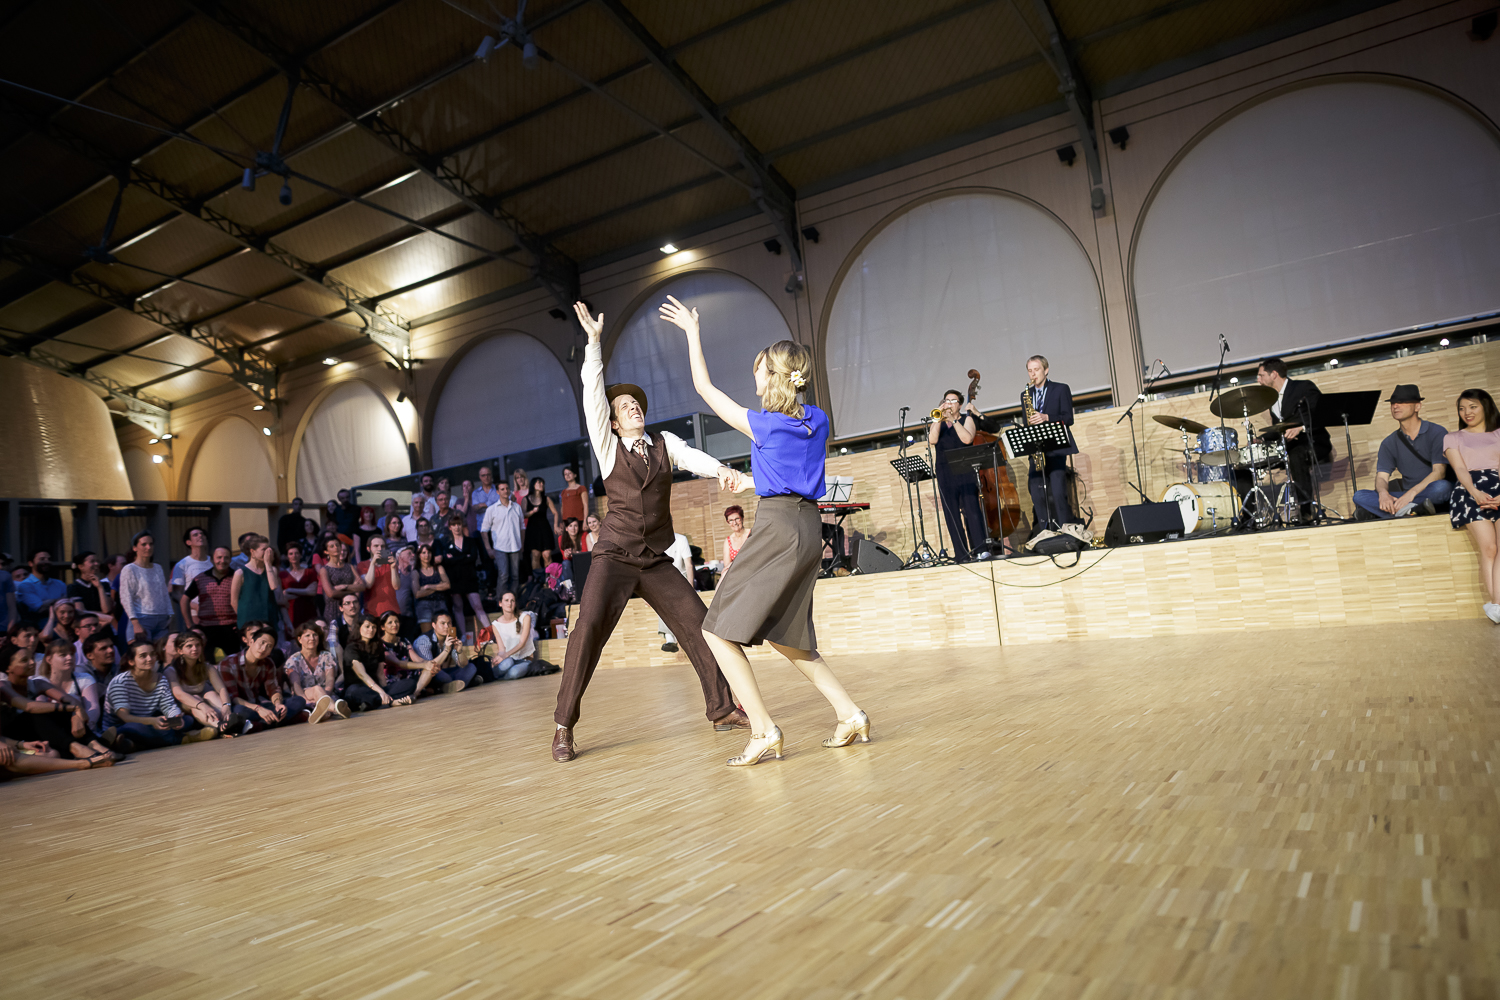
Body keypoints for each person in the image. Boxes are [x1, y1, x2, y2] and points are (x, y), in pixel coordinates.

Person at [663, 294, 868, 767]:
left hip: (775, 527)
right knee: (788, 637)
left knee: (715, 631)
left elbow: (703, 387)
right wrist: (751, 480)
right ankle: (850, 713)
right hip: (806, 526)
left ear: (772, 376)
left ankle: (763, 729)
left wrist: (693, 333)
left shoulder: (762, 424)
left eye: (758, 369)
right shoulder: (816, 420)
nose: (752, 376)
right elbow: (796, 478)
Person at [550, 301, 749, 763]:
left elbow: (695, 459)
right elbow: (590, 396)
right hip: (615, 555)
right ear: (614, 421)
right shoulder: (606, 444)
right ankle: (563, 726)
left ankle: (720, 707)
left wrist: (721, 470)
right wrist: (594, 347)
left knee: (700, 625)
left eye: (636, 404)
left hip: (654, 558)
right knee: (587, 630)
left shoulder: (664, 444)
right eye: (623, 407)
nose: (632, 408)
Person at [2, 641, 114, 765]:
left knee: (60, 713)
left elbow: (69, 700)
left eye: (32, 658)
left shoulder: (37, 683)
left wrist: (75, 715)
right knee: (38, 713)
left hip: (38, 733)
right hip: (13, 737)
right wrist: (72, 709)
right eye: (24, 660)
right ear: (8, 668)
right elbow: (29, 707)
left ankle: (96, 745)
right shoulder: (3, 686)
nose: (32, 663)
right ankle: (81, 747)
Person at [1352, 384, 1452, 520]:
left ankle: (1391, 513)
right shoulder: (1389, 442)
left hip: (1425, 492)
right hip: (1402, 497)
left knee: (1442, 487)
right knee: (1359, 496)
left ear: (1417, 406)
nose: (1395, 406)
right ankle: (1413, 510)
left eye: (1402, 402)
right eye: (1393, 403)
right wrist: (1383, 494)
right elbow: (1382, 477)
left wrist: (1410, 494)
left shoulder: (1437, 432)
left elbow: (1439, 473)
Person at [1443, 388, 1500, 623]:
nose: (1467, 412)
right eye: (1462, 408)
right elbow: (1459, 469)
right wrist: (1474, 492)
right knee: (1489, 549)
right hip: (1470, 490)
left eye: (1473, 406)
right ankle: (1497, 605)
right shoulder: (1452, 437)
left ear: (1485, 407)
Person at [1255, 357, 1332, 524]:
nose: (1258, 380)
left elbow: (1322, 413)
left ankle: (1306, 512)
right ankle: (1251, 517)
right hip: (1291, 446)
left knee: (1296, 455)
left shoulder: (1303, 387)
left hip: (1314, 442)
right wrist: (1260, 439)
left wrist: (1301, 428)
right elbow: (1280, 428)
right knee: (1251, 461)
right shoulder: (1273, 399)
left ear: (1274, 374)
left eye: (1261, 375)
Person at [928, 389, 990, 560]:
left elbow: (967, 439)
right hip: (944, 471)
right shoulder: (938, 421)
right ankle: (961, 553)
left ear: (960, 405)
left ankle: (980, 549)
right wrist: (938, 419)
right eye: (946, 400)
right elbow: (932, 440)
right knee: (951, 514)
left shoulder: (966, 419)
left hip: (965, 470)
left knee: (972, 510)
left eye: (953, 401)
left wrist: (954, 420)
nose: (949, 403)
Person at [1020, 355, 1080, 531]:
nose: (1033, 374)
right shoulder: (1025, 395)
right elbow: (1026, 423)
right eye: (1030, 370)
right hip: (1036, 450)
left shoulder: (1060, 389)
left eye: (1036, 369)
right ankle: (1045, 532)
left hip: (1056, 448)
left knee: (1059, 493)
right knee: (1036, 494)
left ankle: (1065, 531)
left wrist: (1046, 418)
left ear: (1046, 370)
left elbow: (1068, 418)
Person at [104, 638, 188, 751]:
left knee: (187, 720)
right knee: (134, 728)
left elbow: (168, 706)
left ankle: (135, 745)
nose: (149, 659)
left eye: (152, 654)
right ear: (131, 661)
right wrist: (152, 721)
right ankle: (179, 739)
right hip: (124, 725)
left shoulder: (160, 678)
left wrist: (175, 717)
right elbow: (125, 717)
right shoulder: (120, 682)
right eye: (143, 656)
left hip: (153, 722)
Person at [165, 630, 249, 738]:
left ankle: (229, 720)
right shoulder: (171, 671)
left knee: (210, 694)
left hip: (208, 707)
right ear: (180, 650)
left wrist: (226, 706)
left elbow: (221, 689)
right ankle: (221, 726)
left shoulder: (207, 667)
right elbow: (179, 694)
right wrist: (203, 706)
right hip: (185, 710)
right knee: (195, 697)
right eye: (189, 646)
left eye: (197, 645)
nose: (195, 649)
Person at [220, 626, 302, 731]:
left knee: (299, 701)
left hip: (259, 707)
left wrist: (278, 704)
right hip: (240, 706)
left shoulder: (268, 663)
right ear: (251, 642)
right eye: (262, 643)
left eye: (269, 646)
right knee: (239, 711)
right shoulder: (228, 663)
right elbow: (233, 698)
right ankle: (273, 722)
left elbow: (273, 689)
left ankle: (259, 725)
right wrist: (259, 709)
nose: (263, 649)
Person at [438, 514, 489, 642]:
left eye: (459, 524)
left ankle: (490, 633)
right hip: (455, 580)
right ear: (450, 527)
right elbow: (446, 561)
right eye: (454, 525)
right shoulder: (446, 544)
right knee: (458, 607)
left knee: (478, 606)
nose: (456, 527)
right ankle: (464, 636)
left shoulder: (471, 541)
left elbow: (472, 558)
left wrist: (455, 558)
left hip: (470, 578)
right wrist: (463, 557)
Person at [284, 622, 348, 723]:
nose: (312, 638)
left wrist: (323, 697)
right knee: (316, 689)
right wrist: (307, 701)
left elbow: (330, 679)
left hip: (327, 693)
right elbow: (296, 686)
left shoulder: (327, 656)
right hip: (304, 696)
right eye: (307, 635)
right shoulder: (293, 660)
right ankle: (335, 709)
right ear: (300, 639)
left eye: (315, 635)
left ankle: (322, 711)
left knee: (324, 707)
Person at [184, 547, 238, 661]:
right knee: (207, 661)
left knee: (233, 661)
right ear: (212, 560)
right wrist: (189, 625)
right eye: (219, 557)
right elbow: (184, 599)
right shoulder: (201, 578)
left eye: (226, 557)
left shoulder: (237, 577)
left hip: (231, 627)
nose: (222, 561)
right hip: (207, 627)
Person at [119, 531, 173, 641]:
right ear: (135, 548)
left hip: (162, 619)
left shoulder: (158, 568)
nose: (148, 547)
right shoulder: (129, 569)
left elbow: (163, 593)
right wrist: (135, 623)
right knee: (142, 653)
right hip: (142, 617)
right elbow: (126, 597)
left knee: (161, 655)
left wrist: (170, 614)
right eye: (143, 544)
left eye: (151, 544)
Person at [342, 615, 405, 710]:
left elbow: (380, 674)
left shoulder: (378, 645)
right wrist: (381, 692)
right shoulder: (351, 648)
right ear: (359, 628)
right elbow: (361, 674)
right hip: (359, 688)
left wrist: (385, 690)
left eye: (374, 627)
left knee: (410, 684)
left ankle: (374, 702)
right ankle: (392, 702)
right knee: (353, 691)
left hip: (375, 688)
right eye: (367, 626)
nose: (371, 630)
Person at [378, 611, 442, 700]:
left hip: (409, 676)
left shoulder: (404, 641)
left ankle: (415, 694)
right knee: (414, 681)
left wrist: (431, 664)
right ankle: (426, 690)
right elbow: (399, 663)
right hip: (393, 682)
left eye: (396, 621)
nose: (394, 624)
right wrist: (425, 665)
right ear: (382, 627)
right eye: (390, 622)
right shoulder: (380, 645)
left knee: (429, 670)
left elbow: (417, 658)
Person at [411, 610, 475, 693]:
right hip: (426, 675)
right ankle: (451, 686)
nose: (447, 626)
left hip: (441, 671)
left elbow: (463, 664)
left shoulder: (450, 638)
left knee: (471, 667)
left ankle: (449, 686)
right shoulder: (424, 640)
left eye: (449, 623)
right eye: (443, 623)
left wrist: (460, 651)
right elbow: (429, 667)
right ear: (434, 625)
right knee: (444, 677)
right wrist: (446, 649)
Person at [480, 481, 524, 599]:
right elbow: (484, 530)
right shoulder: (492, 509)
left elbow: (522, 528)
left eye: (507, 488)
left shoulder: (517, 507)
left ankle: (513, 602)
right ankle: (500, 602)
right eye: (502, 489)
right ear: (498, 492)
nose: (505, 491)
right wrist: (488, 548)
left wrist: (522, 544)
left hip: (515, 546)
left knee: (515, 576)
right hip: (500, 547)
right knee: (503, 575)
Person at [231, 535, 281, 633]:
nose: (267, 553)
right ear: (253, 552)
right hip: (249, 620)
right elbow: (233, 601)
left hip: (269, 617)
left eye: (268, 549)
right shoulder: (240, 573)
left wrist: (267, 564)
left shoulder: (272, 570)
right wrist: (244, 617)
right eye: (264, 550)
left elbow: (274, 586)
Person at [169, 527, 213, 630]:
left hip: (216, 611)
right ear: (188, 542)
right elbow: (176, 593)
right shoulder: (183, 564)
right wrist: (194, 606)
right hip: (194, 613)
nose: (200, 536)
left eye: (202, 534)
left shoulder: (214, 561)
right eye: (195, 535)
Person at [316, 535, 363, 623]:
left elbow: (362, 586)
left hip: (351, 608)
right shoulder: (324, 569)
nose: (336, 548)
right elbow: (331, 593)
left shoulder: (350, 566)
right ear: (326, 551)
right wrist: (353, 588)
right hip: (333, 610)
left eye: (337, 545)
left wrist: (344, 586)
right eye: (332, 546)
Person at [67, 551, 116, 635]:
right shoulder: (74, 587)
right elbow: (80, 611)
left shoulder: (104, 585)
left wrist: (99, 587)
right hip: (87, 629)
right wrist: (104, 616)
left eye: (97, 561)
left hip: (105, 628)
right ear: (81, 566)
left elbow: (106, 610)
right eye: (92, 561)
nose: (96, 564)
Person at [16, 549, 67, 628]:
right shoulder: (26, 585)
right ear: (30, 563)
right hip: (40, 628)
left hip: (64, 626)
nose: (46, 562)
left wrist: (49, 602)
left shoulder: (59, 584)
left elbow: (67, 605)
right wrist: (59, 600)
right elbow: (40, 609)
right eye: (42, 559)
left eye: (49, 559)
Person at [490, 592, 536, 680]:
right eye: (506, 600)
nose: (509, 603)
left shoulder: (525, 617)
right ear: (500, 603)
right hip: (509, 659)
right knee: (506, 664)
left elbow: (521, 643)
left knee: (513, 672)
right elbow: (502, 649)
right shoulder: (496, 624)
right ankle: (492, 676)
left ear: (515, 603)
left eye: (512, 601)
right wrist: (499, 658)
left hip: (525, 659)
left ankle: (501, 680)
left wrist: (505, 655)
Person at [357, 535, 402, 622]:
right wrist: (373, 562)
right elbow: (368, 584)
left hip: (392, 610)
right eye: (376, 546)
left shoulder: (391, 564)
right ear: (368, 548)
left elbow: (396, 586)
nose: (380, 548)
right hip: (372, 611)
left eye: (382, 546)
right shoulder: (362, 565)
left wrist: (393, 567)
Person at [522, 477, 559, 579]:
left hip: (544, 528)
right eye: (539, 483)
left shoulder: (546, 499)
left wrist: (555, 525)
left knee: (547, 555)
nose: (541, 484)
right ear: (533, 485)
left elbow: (555, 512)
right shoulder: (526, 499)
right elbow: (523, 514)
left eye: (542, 483)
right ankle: (538, 580)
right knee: (535, 555)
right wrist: (532, 512)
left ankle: (550, 580)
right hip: (533, 530)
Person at [279, 541, 320, 630]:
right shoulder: (282, 575)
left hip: (308, 610)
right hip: (291, 612)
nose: (294, 556)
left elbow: (312, 592)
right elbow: (282, 596)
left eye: (297, 553)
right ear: (287, 556)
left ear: (301, 555)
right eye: (291, 554)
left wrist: (290, 590)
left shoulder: (310, 572)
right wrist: (305, 591)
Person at [411, 543, 450, 634]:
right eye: (423, 553)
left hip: (441, 603)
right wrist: (439, 586)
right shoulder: (416, 572)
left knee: (446, 631)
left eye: (429, 552)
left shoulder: (438, 568)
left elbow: (447, 585)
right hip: (424, 605)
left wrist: (428, 587)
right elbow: (417, 594)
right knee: (428, 634)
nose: (426, 555)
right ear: (419, 555)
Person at [470, 466, 500, 534]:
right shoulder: (475, 493)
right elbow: (475, 508)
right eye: (483, 475)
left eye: (488, 475)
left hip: (499, 527)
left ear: (491, 475)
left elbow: (501, 505)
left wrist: (481, 505)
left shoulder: (499, 489)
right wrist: (492, 504)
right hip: (483, 529)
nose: (486, 477)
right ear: (480, 477)